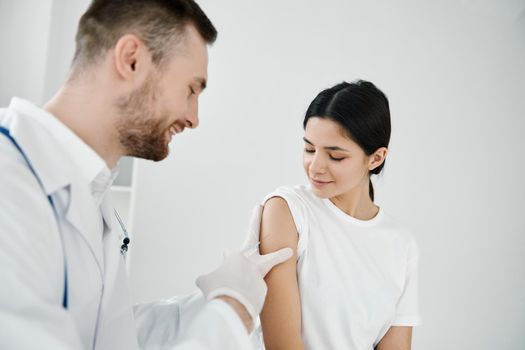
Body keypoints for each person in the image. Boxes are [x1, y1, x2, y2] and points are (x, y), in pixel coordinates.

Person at [0, 0, 291, 349]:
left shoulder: (90, 192)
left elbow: (103, 333)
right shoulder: (10, 181)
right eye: (191, 89)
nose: (194, 118)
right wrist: (230, 313)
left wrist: (209, 302)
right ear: (131, 60)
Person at [253, 80, 421, 349]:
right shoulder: (287, 210)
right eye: (309, 149)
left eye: (335, 156)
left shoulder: (401, 244)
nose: (315, 166)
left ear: (376, 158)